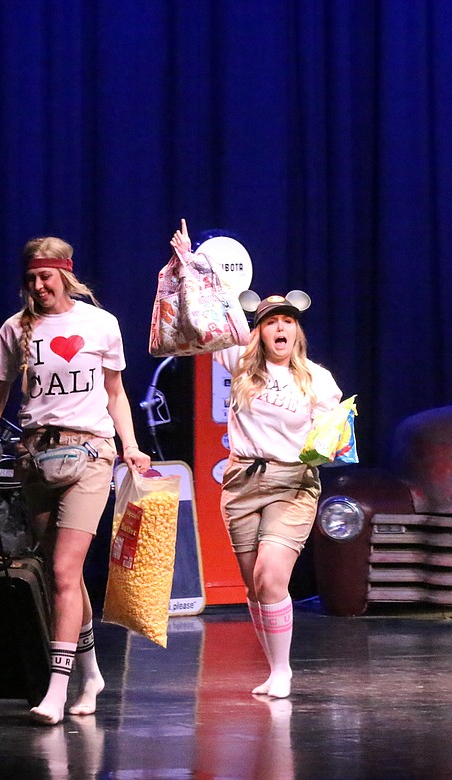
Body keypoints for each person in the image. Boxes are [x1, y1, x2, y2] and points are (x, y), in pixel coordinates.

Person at [0, 236, 151, 725]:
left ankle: (55, 692)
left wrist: (130, 445)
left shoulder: (100, 324)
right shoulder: (15, 329)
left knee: (64, 571)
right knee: (65, 576)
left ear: (65, 272)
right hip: (35, 457)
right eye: (31, 278)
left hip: (90, 455)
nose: (38, 286)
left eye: (46, 276)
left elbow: (115, 392)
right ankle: (92, 673)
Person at [169, 221, 341, 699]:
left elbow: (335, 436)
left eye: (287, 320)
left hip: (293, 483)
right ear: (258, 331)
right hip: (243, 482)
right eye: (270, 321)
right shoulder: (239, 365)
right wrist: (189, 267)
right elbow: (202, 320)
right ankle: (273, 669)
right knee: (254, 587)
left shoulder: (319, 381)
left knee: (271, 576)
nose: (279, 327)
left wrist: (329, 443)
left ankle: (283, 671)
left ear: (297, 330)